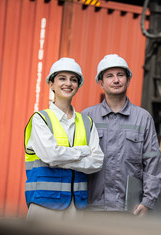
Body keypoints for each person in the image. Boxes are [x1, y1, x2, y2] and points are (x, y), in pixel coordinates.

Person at [82, 54, 161, 217]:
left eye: (120, 75)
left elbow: (153, 163)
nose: (116, 80)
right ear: (101, 83)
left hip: (130, 209)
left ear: (128, 80)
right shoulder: (87, 116)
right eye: (109, 76)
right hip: (92, 207)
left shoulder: (143, 118)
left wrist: (148, 202)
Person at [24, 57, 104, 220]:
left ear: (78, 86)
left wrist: (61, 159)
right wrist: (83, 151)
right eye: (62, 78)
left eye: (73, 80)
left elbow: (97, 162)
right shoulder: (40, 119)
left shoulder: (87, 122)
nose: (68, 83)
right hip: (43, 206)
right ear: (51, 84)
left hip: (76, 208)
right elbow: (50, 156)